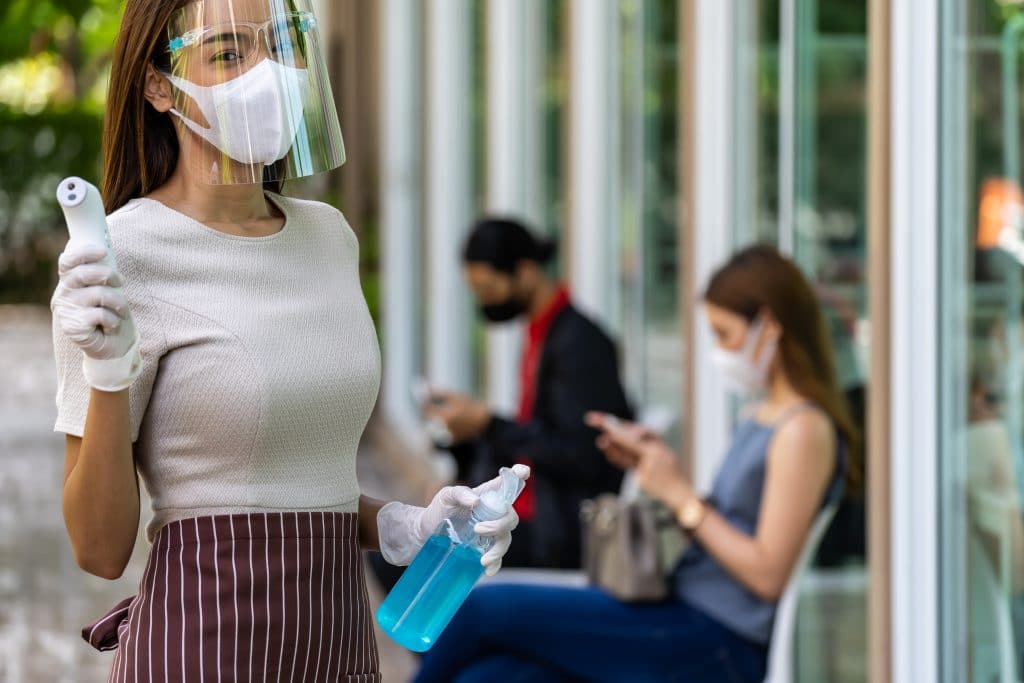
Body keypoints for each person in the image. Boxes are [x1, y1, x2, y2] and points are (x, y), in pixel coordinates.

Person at [50, 1, 525, 680]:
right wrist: (105, 376)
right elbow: (98, 548)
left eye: (280, 46)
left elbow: (293, 482)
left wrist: (406, 525)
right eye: (227, 53)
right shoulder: (118, 256)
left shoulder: (327, 235)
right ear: (158, 86)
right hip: (201, 651)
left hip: (340, 647)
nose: (267, 75)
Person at [413, 245, 857, 683]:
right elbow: (728, 525)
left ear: (770, 328)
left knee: (481, 610)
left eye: (725, 334)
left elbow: (766, 574)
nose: (718, 353)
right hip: (681, 612)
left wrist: (682, 498)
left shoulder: (802, 430)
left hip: (716, 638)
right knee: (492, 676)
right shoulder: (762, 414)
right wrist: (662, 470)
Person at [424, 217, 632, 569]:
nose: (485, 302)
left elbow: (581, 455)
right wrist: (468, 431)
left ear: (525, 271)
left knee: (410, 557)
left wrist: (488, 423)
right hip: (537, 512)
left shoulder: (578, 343)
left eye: (489, 289)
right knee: (426, 536)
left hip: (559, 533)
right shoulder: (544, 332)